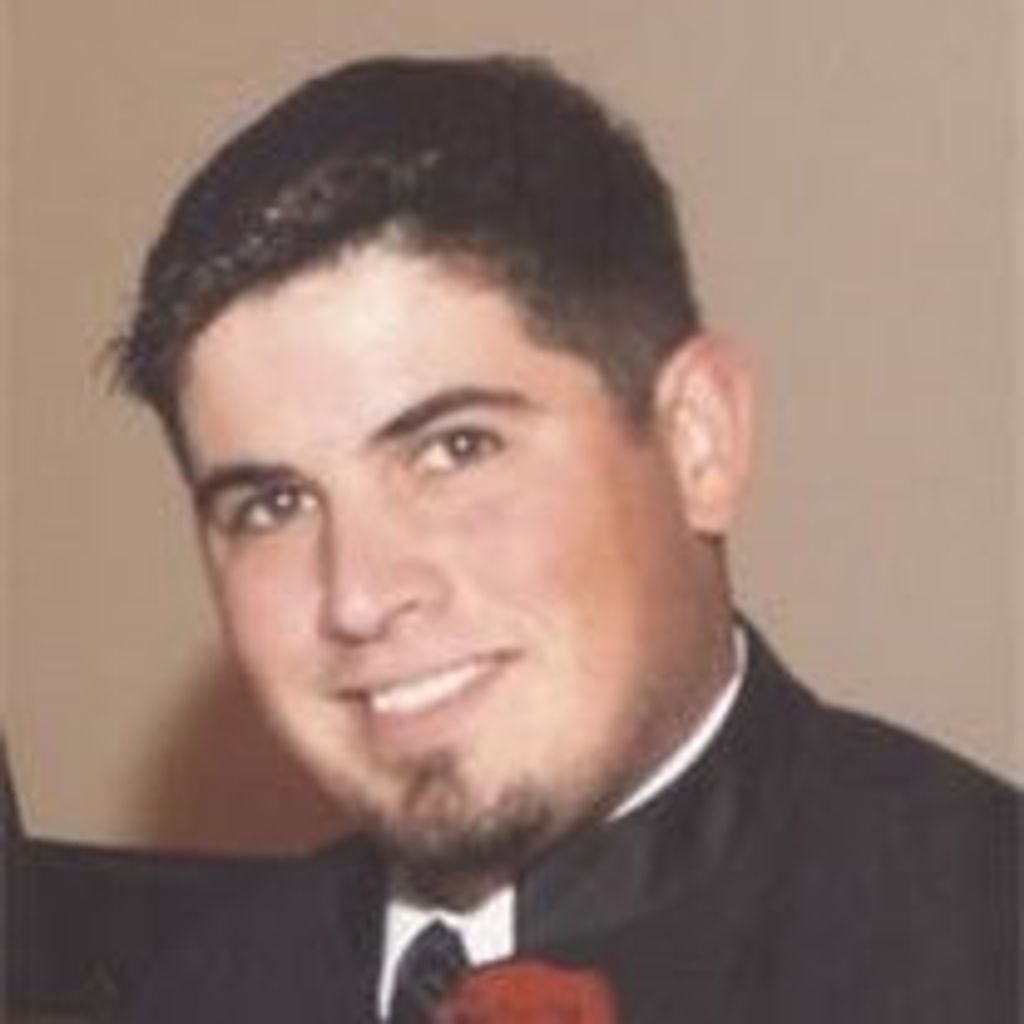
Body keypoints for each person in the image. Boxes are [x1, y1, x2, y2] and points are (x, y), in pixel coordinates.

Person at [108, 55, 1018, 1023]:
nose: (357, 595)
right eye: (273, 504)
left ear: (698, 440)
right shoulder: (198, 994)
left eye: (454, 449)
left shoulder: (983, 945)